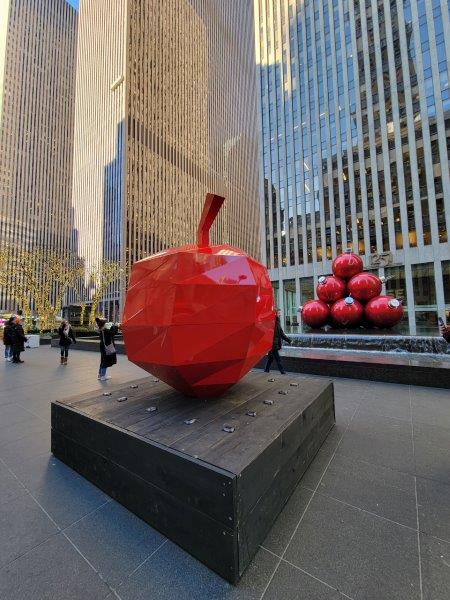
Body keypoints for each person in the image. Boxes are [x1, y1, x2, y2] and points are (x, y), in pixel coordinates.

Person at [264, 309, 292, 374]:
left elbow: (281, 334)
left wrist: (289, 341)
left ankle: (266, 370)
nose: (280, 314)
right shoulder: (271, 323)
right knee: (278, 359)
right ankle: (282, 372)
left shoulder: (277, 322)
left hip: (274, 343)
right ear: (275, 314)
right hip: (272, 344)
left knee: (270, 359)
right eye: (279, 313)